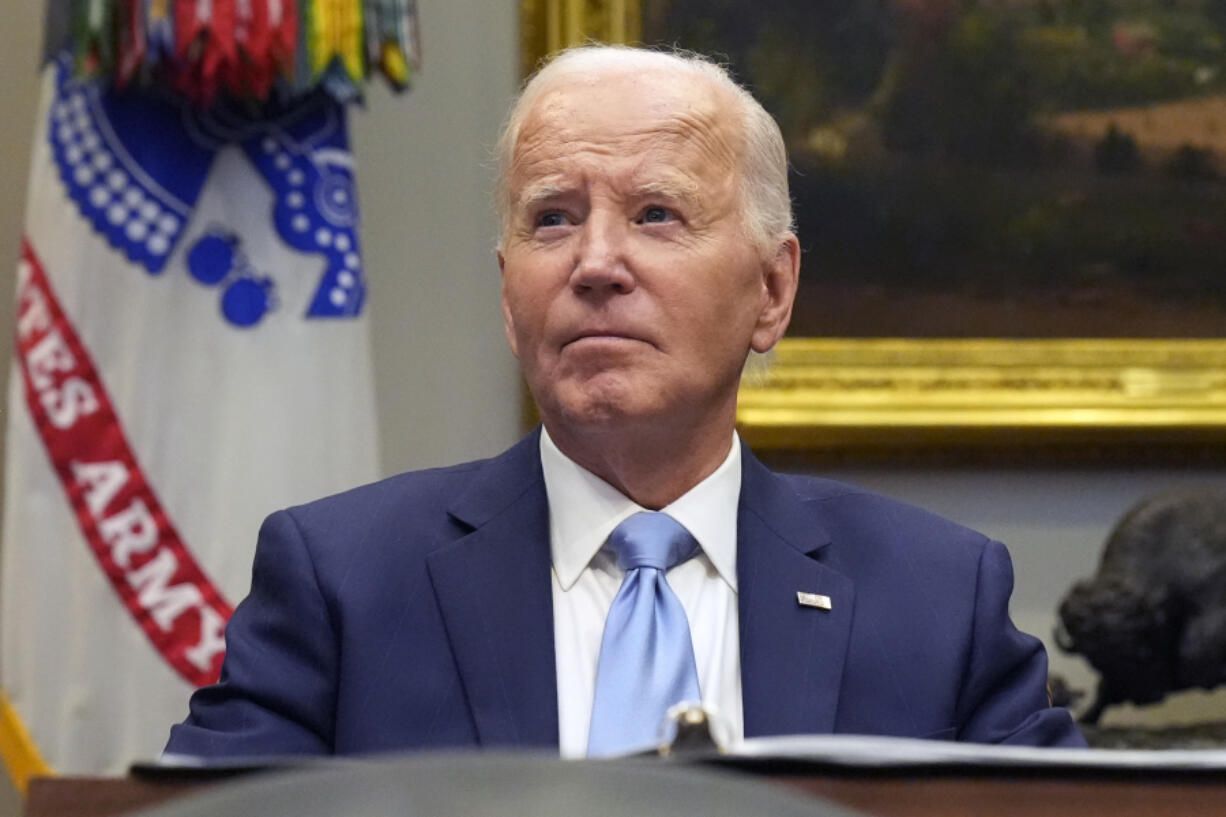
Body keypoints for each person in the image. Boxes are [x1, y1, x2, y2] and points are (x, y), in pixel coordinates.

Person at [164, 45, 1084, 759]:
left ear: (772, 291)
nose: (596, 263)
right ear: (507, 293)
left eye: (656, 215)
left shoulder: (937, 598)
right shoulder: (342, 581)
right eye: (553, 218)